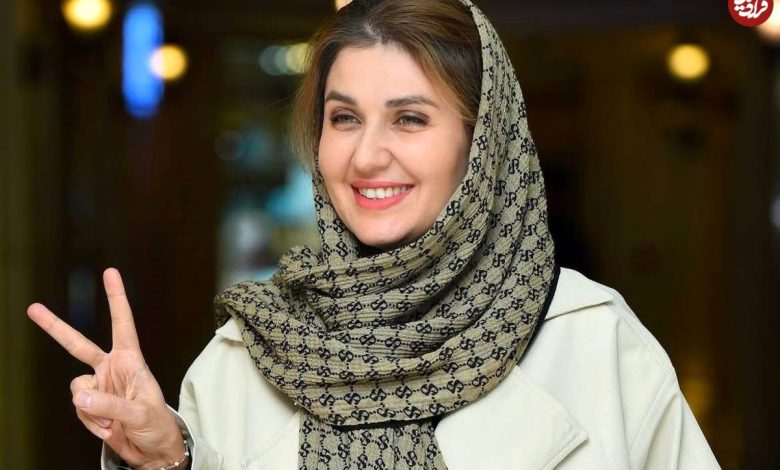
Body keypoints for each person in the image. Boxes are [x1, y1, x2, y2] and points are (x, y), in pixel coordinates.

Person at [27, 0, 722, 468]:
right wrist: (166, 460)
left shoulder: (594, 341)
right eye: (344, 118)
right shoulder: (246, 353)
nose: (365, 156)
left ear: (482, 144)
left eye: (409, 118)